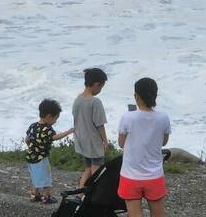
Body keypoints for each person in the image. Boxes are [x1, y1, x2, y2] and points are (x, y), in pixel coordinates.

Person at [117, 77, 171, 217]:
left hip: (130, 175)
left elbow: (121, 143)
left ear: (136, 96)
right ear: (155, 96)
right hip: (155, 175)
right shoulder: (163, 117)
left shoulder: (128, 117)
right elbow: (164, 142)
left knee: (134, 214)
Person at [25, 99, 74, 204]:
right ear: (49, 116)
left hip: (30, 157)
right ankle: (46, 197)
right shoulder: (47, 129)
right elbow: (55, 137)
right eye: (55, 118)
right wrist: (68, 132)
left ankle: (34, 195)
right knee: (46, 178)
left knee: (35, 177)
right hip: (41, 158)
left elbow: (27, 139)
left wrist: (32, 148)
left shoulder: (33, 126)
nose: (55, 121)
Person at [72, 67, 109, 188]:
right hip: (93, 142)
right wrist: (105, 141)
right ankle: (94, 196)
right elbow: (100, 124)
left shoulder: (77, 99)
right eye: (101, 87)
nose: (100, 90)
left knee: (88, 169)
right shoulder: (95, 101)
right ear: (96, 84)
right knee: (96, 171)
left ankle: (80, 193)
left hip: (81, 141)